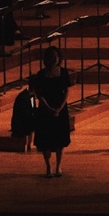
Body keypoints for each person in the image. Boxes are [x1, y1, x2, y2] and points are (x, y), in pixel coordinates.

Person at [31, 46, 73, 177]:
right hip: (45, 110)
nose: (55, 59)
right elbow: (39, 94)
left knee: (60, 139)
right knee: (46, 140)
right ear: (47, 59)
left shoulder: (63, 72)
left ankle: (58, 166)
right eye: (52, 56)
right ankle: (48, 167)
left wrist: (60, 107)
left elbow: (67, 91)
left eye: (57, 56)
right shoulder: (41, 74)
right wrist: (48, 108)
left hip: (60, 108)